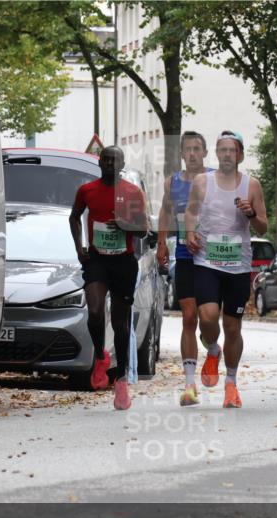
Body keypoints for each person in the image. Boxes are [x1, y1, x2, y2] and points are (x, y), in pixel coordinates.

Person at [184, 130, 268, 409]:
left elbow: (264, 226)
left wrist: (250, 214)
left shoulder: (251, 185)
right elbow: (191, 212)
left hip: (238, 266)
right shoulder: (202, 181)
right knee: (207, 317)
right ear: (217, 154)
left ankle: (231, 385)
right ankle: (212, 348)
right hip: (207, 261)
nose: (228, 155)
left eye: (233, 150)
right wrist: (189, 233)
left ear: (241, 155)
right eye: (223, 150)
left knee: (232, 327)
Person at [69, 146, 149, 410]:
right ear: (100, 162)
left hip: (123, 262)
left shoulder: (132, 192)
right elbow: (74, 217)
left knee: (120, 323)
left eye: (115, 160)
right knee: (93, 311)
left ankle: (122, 380)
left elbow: (143, 229)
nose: (110, 163)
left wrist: (126, 225)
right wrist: (79, 246)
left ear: (122, 163)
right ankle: (101, 355)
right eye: (106, 159)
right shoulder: (87, 190)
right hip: (97, 260)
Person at [157, 131, 212, 406]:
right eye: (187, 149)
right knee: (189, 317)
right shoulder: (172, 183)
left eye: (197, 149)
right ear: (181, 154)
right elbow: (165, 212)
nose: (192, 153)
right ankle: (189, 384)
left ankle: (212, 346)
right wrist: (161, 244)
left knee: (208, 318)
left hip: (212, 259)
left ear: (205, 153)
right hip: (184, 256)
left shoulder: (216, 180)